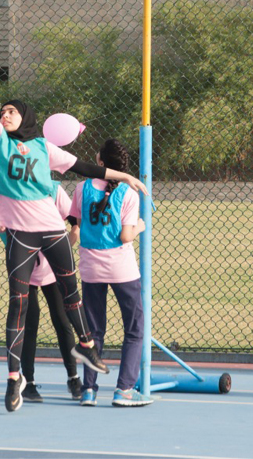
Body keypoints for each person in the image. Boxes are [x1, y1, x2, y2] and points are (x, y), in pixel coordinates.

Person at [0, 44, 148, 413]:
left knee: (72, 297)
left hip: (53, 231)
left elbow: (86, 169)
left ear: (24, 116)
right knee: (18, 307)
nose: (5, 114)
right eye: (3, 110)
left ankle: (85, 346)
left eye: (11, 110)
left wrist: (125, 176)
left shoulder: (45, 147)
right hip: (21, 238)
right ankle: (14, 379)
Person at [0, 181, 83, 403]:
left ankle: (73, 377)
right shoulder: (5, 195)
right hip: (25, 272)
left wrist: (72, 234)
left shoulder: (51, 189)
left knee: (62, 321)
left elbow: (74, 218)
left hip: (52, 270)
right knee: (29, 323)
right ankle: (28, 382)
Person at [68, 139, 151, 407]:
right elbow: (125, 235)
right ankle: (124, 389)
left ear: (102, 163)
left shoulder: (81, 188)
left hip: (91, 268)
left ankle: (89, 390)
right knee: (134, 329)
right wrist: (140, 226)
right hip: (121, 269)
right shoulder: (128, 194)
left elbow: (77, 226)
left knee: (93, 330)